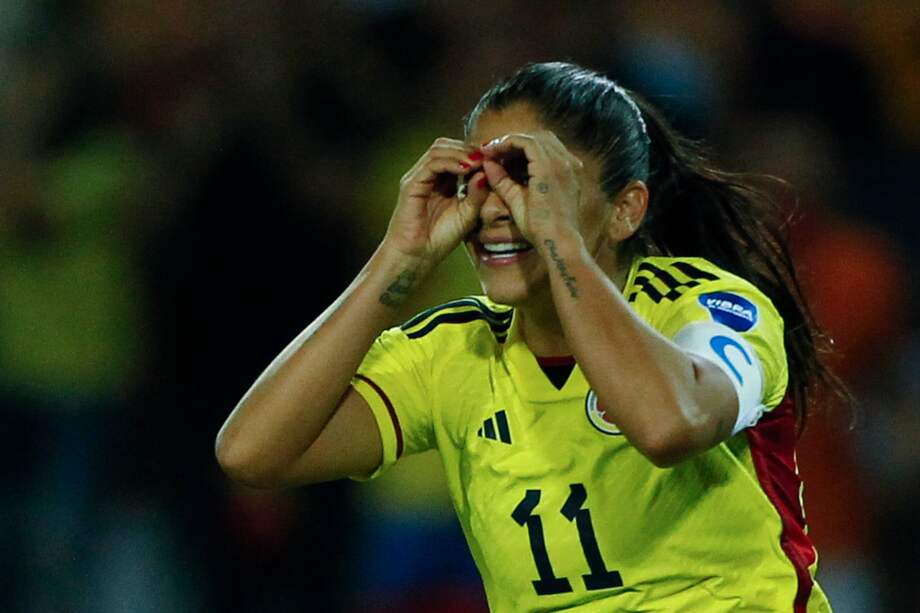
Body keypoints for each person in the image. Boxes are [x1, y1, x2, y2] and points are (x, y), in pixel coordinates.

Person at [216, 62, 840, 612]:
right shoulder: (456, 350)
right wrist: (397, 260)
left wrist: (558, 238)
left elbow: (668, 424)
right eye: (480, 181)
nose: (496, 207)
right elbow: (251, 452)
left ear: (625, 209)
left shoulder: (708, 307)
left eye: (531, 180)